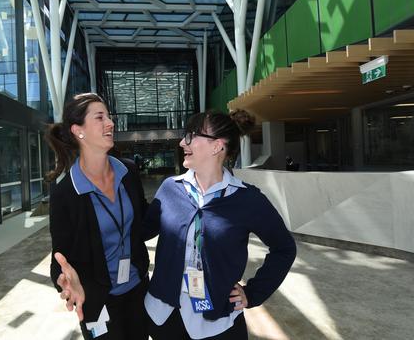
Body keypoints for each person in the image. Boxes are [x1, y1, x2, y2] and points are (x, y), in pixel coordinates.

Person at [143, 109, 297, 339]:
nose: (182, 142)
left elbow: (284, 248)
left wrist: (252, 293)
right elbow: (139, 231)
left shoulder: (248, 199)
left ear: (217, 146)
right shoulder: (169, 188)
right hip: (163, 316)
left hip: (219, 322)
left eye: (192, 135)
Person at [45, 93, 149, 340]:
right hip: (97, 301)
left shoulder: (128, 172)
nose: (110, 123)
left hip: (138, 291)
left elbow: (145, 223)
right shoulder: (66, 193)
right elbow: (59, 260)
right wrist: (66, 283)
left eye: (109, 117)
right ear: (78, 131)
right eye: (100, 117)